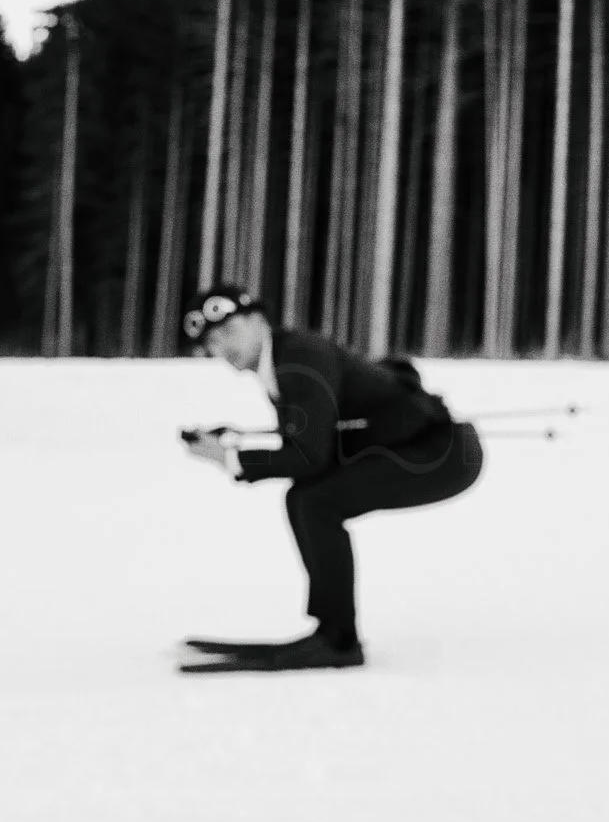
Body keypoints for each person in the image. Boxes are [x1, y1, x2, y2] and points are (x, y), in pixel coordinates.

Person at [179, 284, 484, 671]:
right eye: (212, 343)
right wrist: (235, 444)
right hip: (420, 448)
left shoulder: (298, 359)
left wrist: (232, 459)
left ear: (258, 320)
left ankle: (338, 640)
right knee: (307, 498)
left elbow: (309, 455)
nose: (222, 348)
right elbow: (311, 442)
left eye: (227, 333)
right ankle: (331, 632)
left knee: (316, 501)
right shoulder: (283, 361)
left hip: (439, 455)